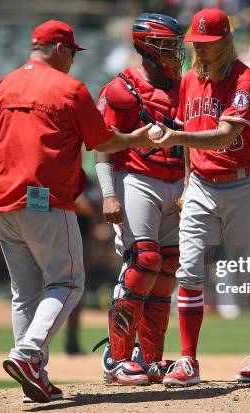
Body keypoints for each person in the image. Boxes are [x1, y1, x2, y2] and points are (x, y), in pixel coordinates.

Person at [0, 19, 154, 403]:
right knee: (68, 283)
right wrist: (135, 138)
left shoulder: (1, 85)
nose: (73, 59)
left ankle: (33, 376)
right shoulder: (70, 89)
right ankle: (27, 354)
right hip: (47, 202)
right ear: (58, 49)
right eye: (71, 51)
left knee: (25, 292)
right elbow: (102, 140)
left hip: (2, 204)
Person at [151, 8, 250, 386]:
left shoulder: (246, 80)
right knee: (189, 271)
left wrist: (175, 138)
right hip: (203, 186)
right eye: (197, 44)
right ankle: (188, 361)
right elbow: (193, 135)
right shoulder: (190, 81)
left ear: (226, 42)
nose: (202, 51)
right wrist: (189, 182)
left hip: (243, 185)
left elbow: (225, 135)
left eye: (209, 45)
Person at [94, 13, 185, 385]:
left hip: (177, 182)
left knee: (167, 269)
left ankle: (150, 359)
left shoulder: (184, 87)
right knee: (144, 260)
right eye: (166, 45)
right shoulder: (120, 88)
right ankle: (117, 358)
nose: (174, 52)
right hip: (136, 179)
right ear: (146, 47)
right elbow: (102, 146)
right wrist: (108, 194)